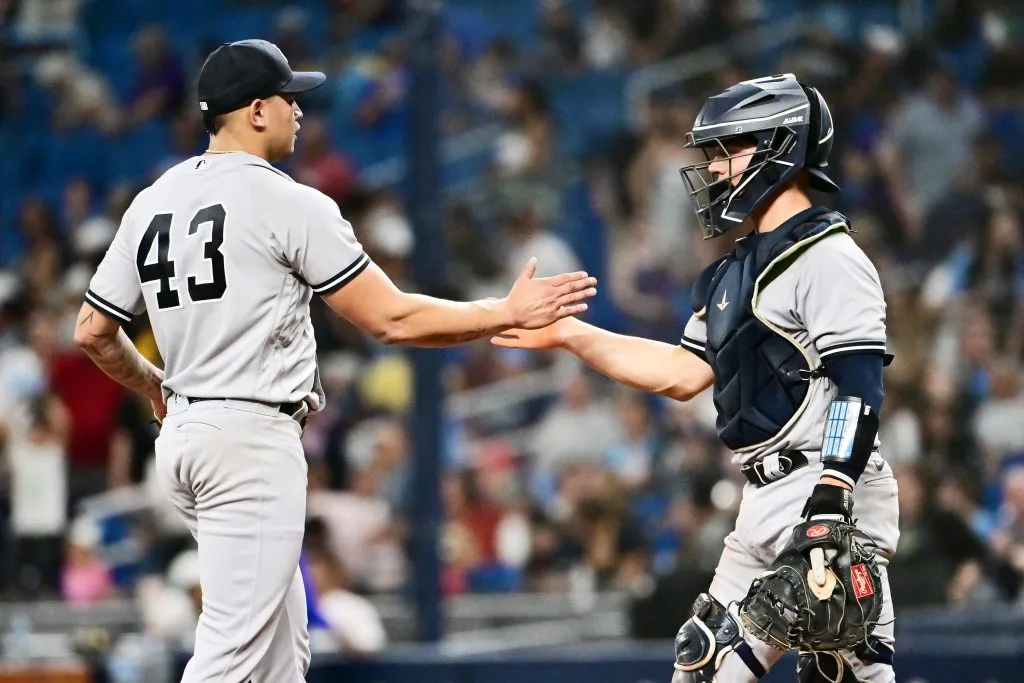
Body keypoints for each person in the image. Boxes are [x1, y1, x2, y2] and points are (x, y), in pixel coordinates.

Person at [73, 39, 597, 683]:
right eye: (291, 98)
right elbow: (392, 318)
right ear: (256, 110)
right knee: (232, 657)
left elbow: (94, 330)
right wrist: (504, 311)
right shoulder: (287, 200)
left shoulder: (153, 199)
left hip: (186, 438)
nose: (301, 111)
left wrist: (154, 384)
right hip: (248, 439)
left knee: (282, 652)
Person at [493, 73, 899, 682]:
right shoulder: (733, 272)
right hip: (762, 497)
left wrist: (832, 497)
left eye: (727, 151)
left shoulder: (830, 257)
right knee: (703, 669)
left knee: (845, 674)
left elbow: (859, 388)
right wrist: (572, 336)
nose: (713, 170)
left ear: (779, 149)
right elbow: (681, 373)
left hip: (825, 485)